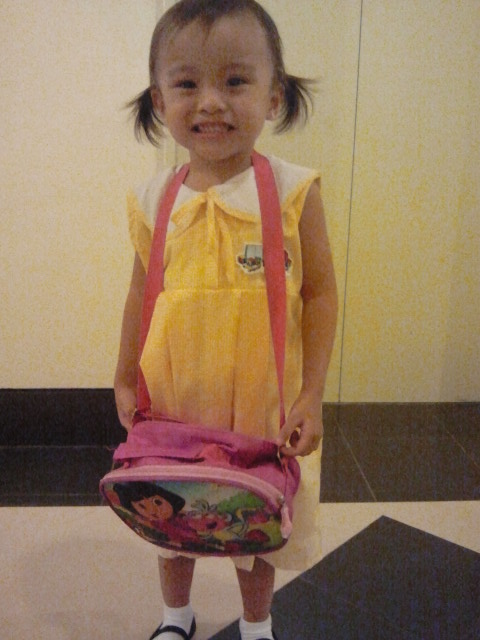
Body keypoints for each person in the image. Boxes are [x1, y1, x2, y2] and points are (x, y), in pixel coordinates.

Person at [114, 1, 338, 638]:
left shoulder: (294, 193)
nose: (210, 101)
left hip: (260, 402)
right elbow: (140, 294)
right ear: (159, 100)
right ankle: (175, 617)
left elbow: (320, 294)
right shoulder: (154, 198)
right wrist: (124, 374)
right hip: (175, 396)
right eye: (187, 83)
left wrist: (312, 394)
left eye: (235, 80)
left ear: (274, 95)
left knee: (255, 522)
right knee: (170, 514)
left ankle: (257, 624)